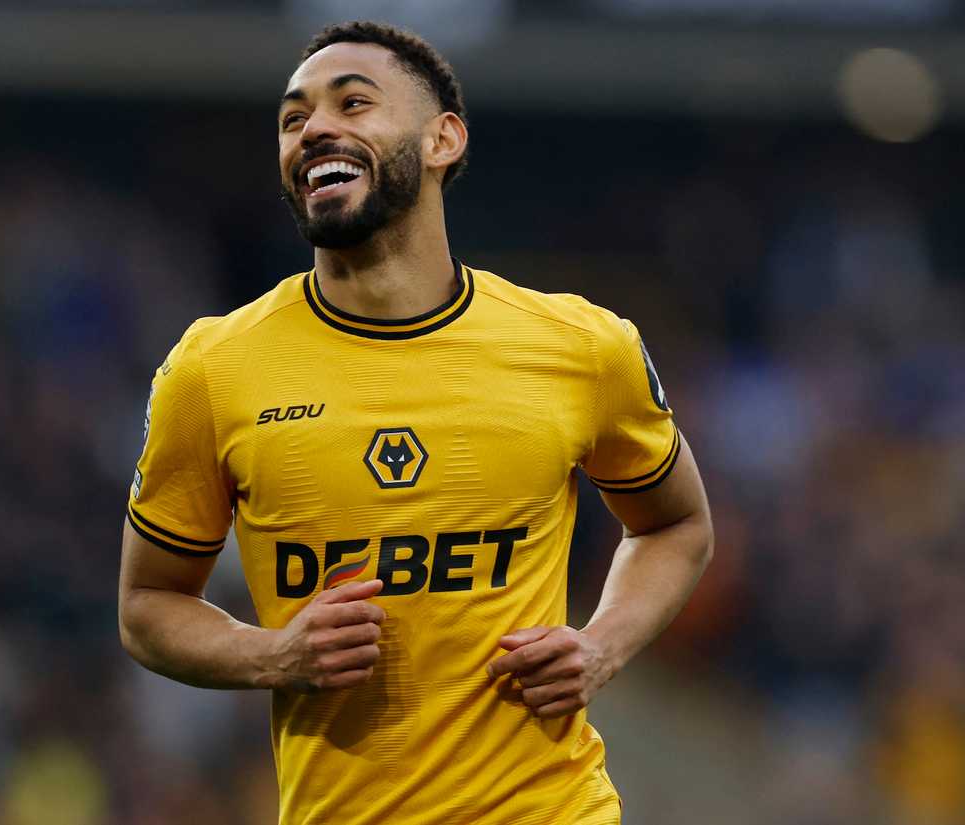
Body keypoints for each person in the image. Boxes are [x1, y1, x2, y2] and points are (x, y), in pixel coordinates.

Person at [117, 20, 713, 825]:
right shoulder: (214, 368)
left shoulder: (580, 346)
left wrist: (601, 643)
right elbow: (148, 604)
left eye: (352, 103)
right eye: (294, 120)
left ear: (443, 139)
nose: (314, 128)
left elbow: (676, 524)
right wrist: (276, 654)